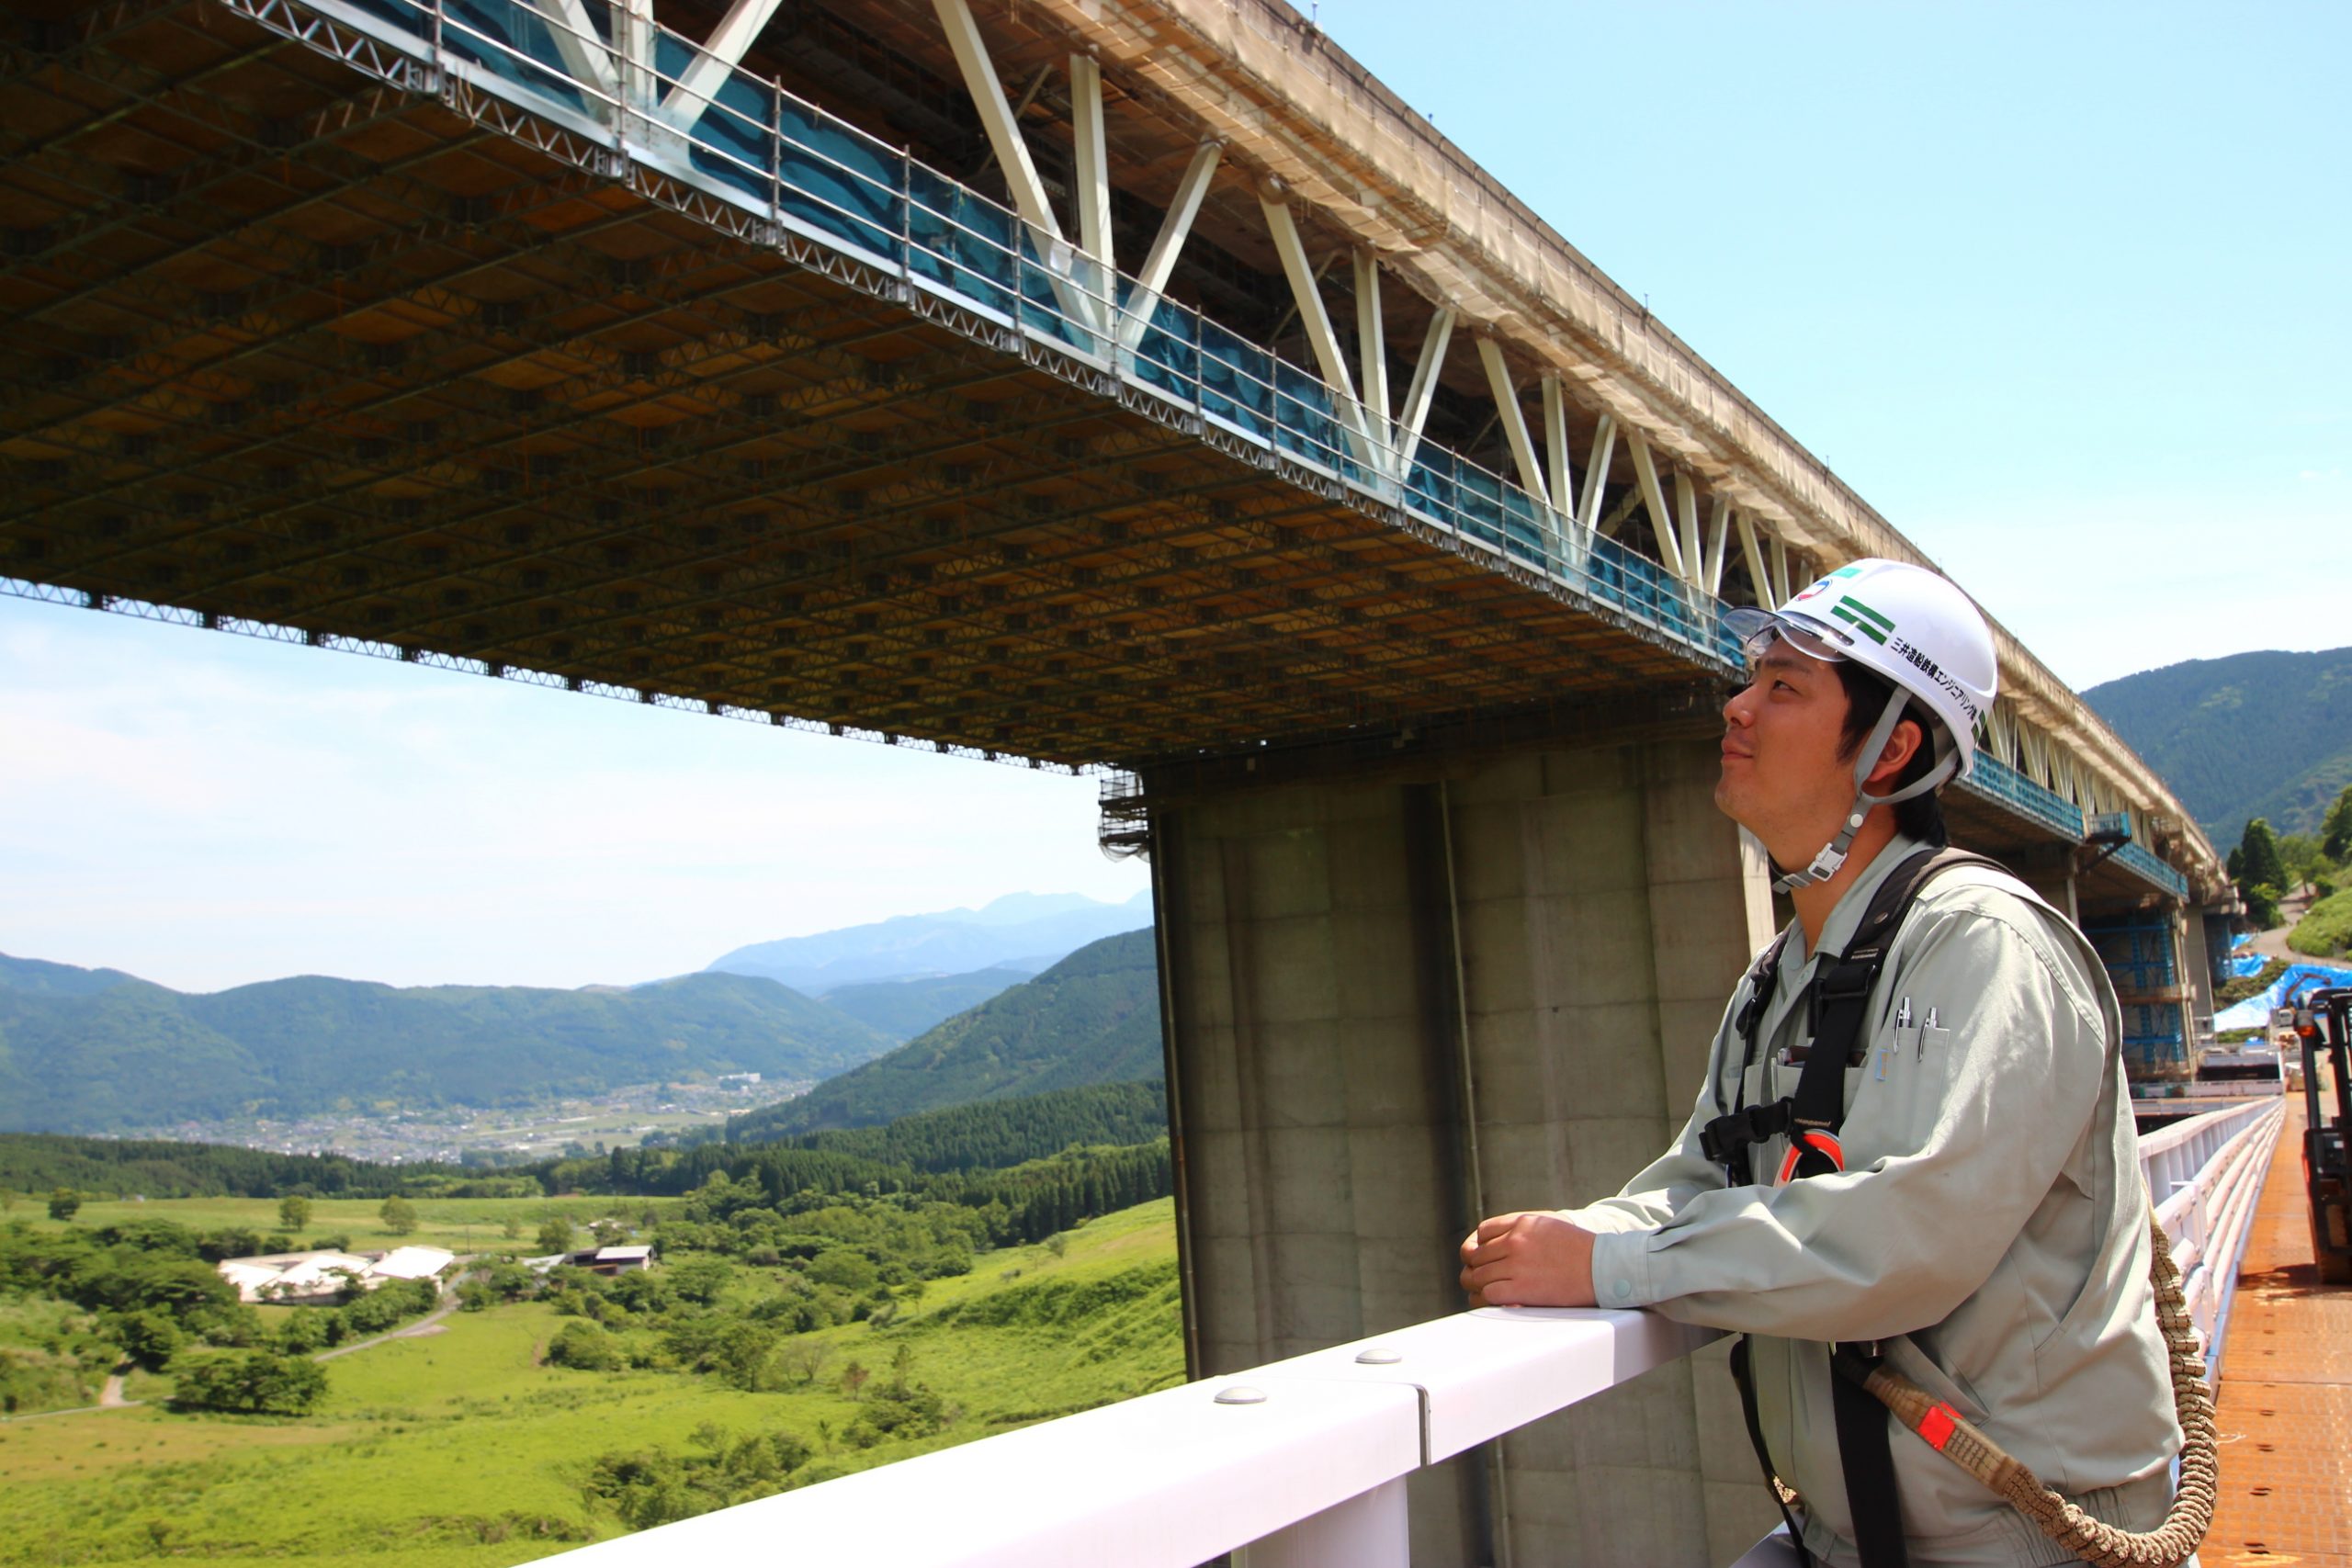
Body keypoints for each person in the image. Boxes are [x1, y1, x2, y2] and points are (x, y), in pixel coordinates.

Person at [1457, 558, 2187, 1567]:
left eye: (1784, 687)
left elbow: (1909, 1233)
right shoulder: (1783, 975)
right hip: (1857, 1530)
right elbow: (1705, 1177)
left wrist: (1608, 1266)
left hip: (2024, 1533)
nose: (1738, 707)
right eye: (1749, 679)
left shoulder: (1983, 943)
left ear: (1889, 752)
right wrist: (1573, 1238)